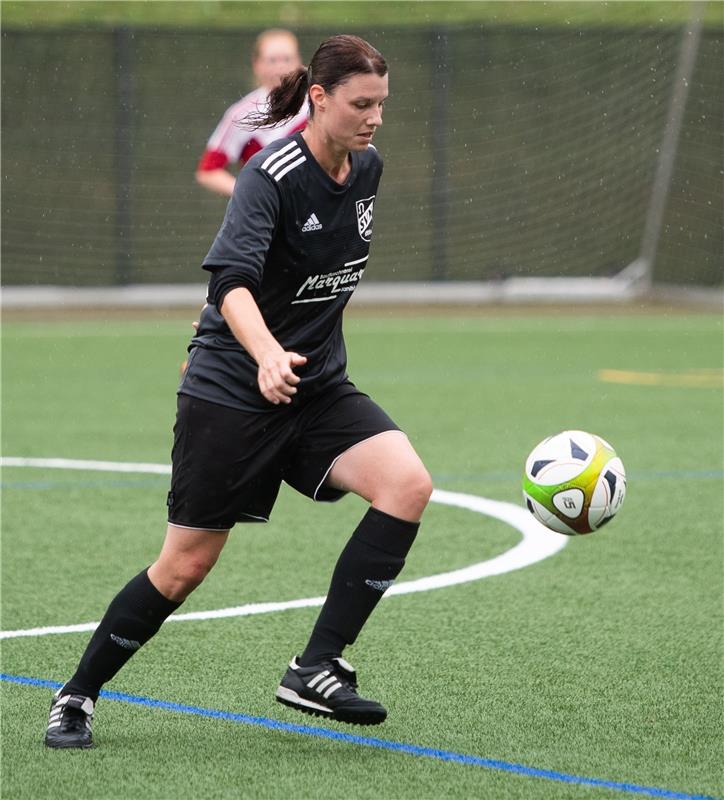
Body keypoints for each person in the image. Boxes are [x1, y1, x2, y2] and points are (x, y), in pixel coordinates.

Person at [45, 34, 433, 749]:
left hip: (314, 386)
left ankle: (316, 666)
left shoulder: (367, 169)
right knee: (184, 565)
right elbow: (229, 284)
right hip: (231, 388)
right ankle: (76, 695)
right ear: (318, 98)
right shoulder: (270, 176)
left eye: (382, 103)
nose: (374, 117)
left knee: (407, 483)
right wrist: (264, 355)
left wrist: (298, 358)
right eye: (361, 103)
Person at [195, 28, 308, 197]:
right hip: (267, 218)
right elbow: (208, 170)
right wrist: (251, 194)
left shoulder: (317, 105)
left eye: (287, 59)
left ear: (299, 62)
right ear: (257, 65)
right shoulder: (241, 114)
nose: (280, 67)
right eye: (272, 60)